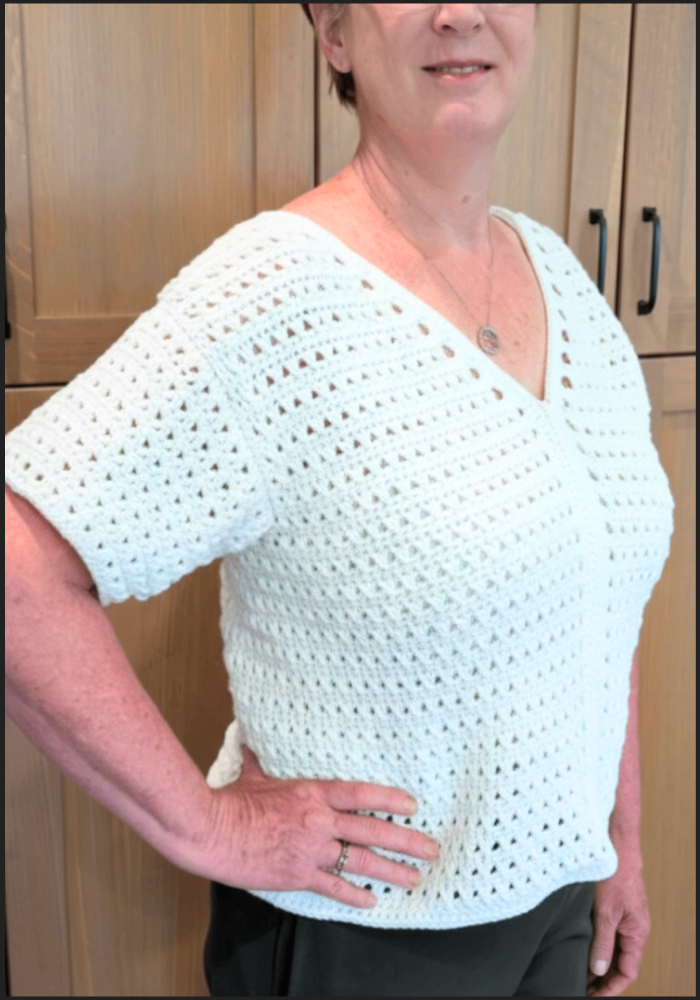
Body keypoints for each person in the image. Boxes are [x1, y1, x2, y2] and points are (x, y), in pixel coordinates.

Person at [4, 4, 674, 997]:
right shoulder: (274, 293)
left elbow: (595, 598)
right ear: (334, 36)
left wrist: (618, 840)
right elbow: (18, 566)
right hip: (367, 933)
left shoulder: (564, 279)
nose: (460, 11)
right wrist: (210, 826)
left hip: (558, 903)